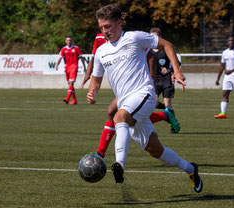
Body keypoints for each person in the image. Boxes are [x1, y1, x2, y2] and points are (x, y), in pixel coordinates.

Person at [87, 5, 203, 193]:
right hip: (127, 103)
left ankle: (119, 166)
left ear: (119, 22)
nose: (104, 31)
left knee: (119, 117)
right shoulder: (101, 52)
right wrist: (93, 92)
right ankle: (191, 169)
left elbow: (167, 45)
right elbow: (96, 79)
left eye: (108, 26)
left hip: (144, 93)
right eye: (101, 28)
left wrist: (178, 71)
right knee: (155, 150)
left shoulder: (134, 37)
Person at [81, 33, 180, 158]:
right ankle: (165, 115)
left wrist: (152, 80)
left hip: (136, 85)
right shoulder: (100, 39)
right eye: (102, 26)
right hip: (121, 87)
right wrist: (89, 79)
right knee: (130, 118)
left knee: (113, 112)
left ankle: (101, 154)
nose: (105, 29)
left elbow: (151, 57)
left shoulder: (129, 38)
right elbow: (94, 59)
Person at [150, 27, 181, 133]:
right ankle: (168, 112)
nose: (152, 39)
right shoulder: (147, 51)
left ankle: (174, 125)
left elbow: (177, 62)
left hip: (166, 80)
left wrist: (169, 70)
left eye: (155, 37)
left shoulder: (165, 49)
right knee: (153, 103)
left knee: (168, 103)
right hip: (154, 81)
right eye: (151, 36)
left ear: (159, 37)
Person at [56, 35, 86, 105]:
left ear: (72, 41)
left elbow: (81, 57)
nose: (69, 41)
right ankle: (74, 100)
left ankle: (67, 98)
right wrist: (57, 65)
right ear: (65, 41)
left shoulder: (76, 48)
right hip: (67, 68)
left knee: (71, 83)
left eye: (70, 40)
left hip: (74, 67)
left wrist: (84, 67)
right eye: (67, 40)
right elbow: (60, 57)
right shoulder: (63, 49)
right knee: (70, 84)